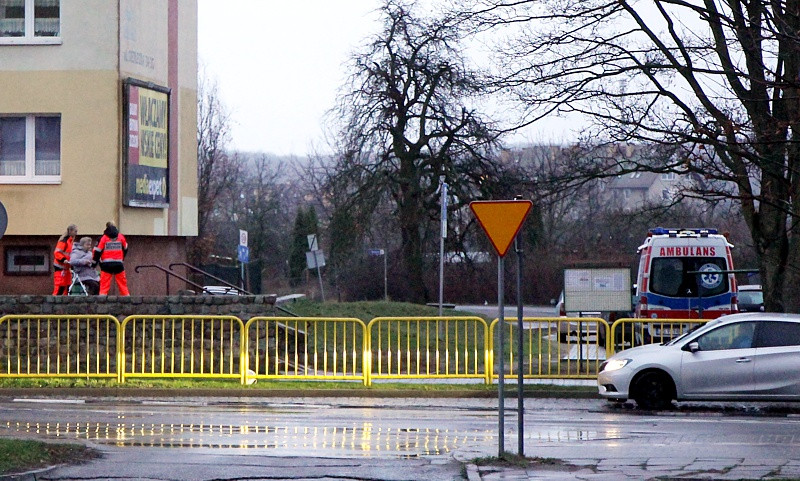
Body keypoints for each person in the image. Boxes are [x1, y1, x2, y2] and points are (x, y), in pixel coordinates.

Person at [93, 221, 130, 295]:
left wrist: (94, 264)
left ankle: (102, 302)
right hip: (118, 264)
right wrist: (122, 259)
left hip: (106, 264)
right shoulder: (120, 236)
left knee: (104, 286)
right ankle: (127, 301)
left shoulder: (103, 238)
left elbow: (97, 251)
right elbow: (125, 248)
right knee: (123, 285)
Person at [52, 224, 77, 295]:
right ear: (71, 231)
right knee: (60, 287)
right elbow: (57, 253)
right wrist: (63, 260)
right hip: (60, 267)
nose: (76, 233)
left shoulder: (70, 242)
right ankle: (54, 303)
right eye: (75, 231)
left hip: (66, 267)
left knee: (67, 287)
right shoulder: (64, 241)